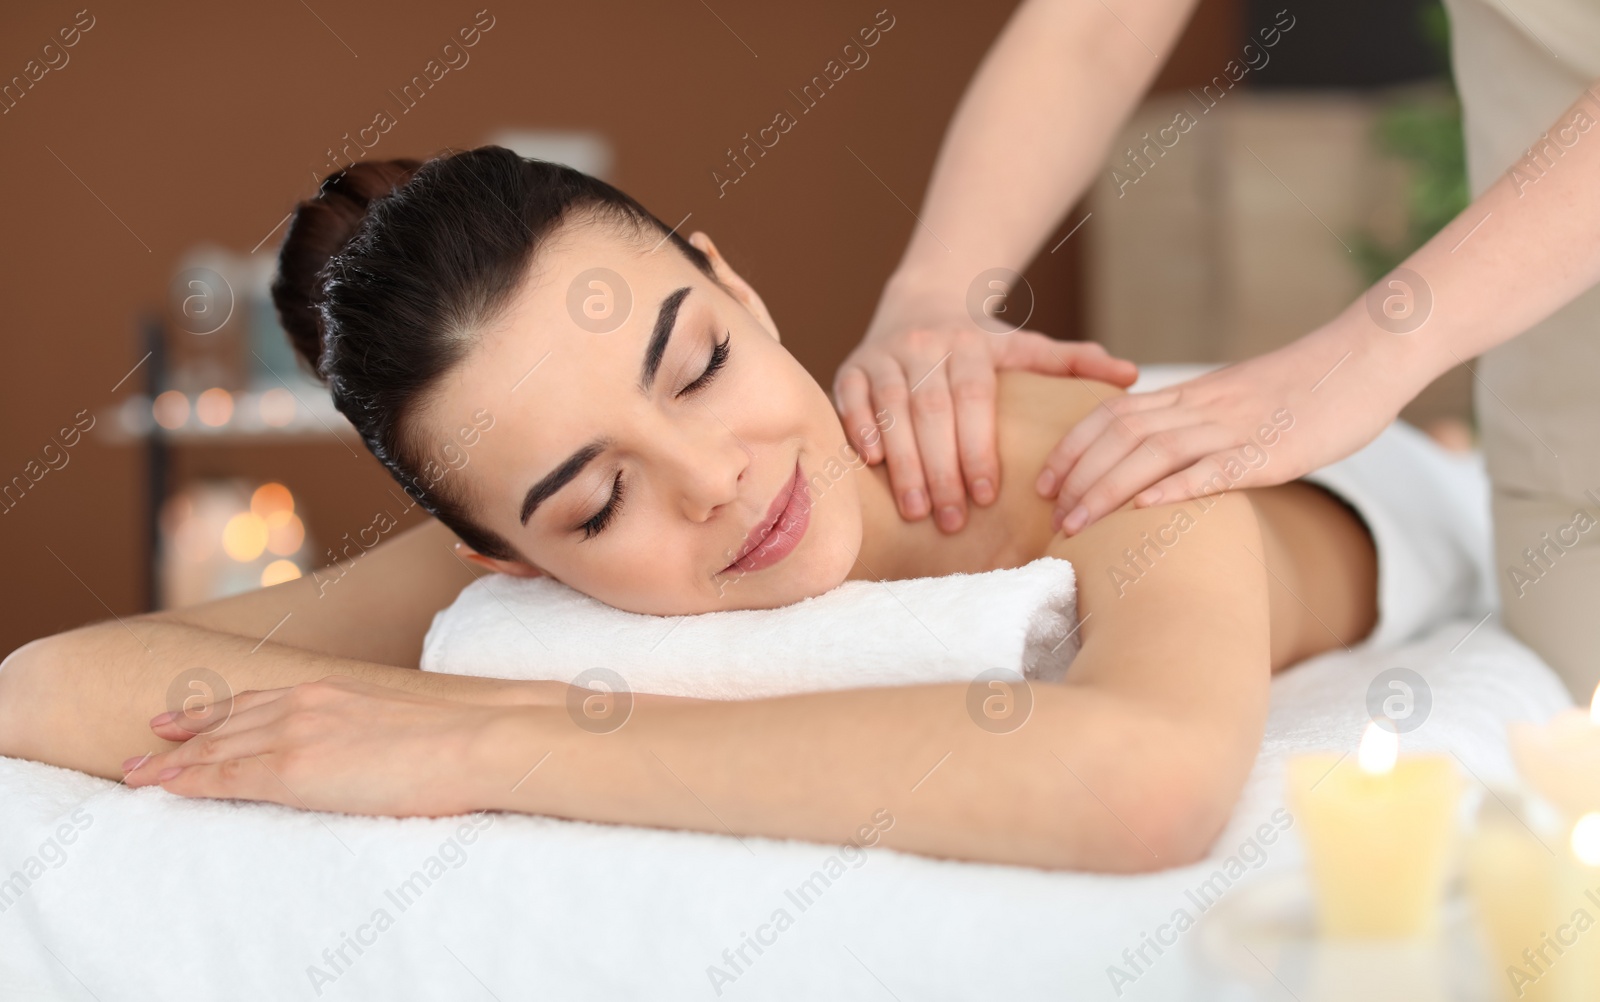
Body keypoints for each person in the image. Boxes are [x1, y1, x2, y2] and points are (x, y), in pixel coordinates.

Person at [0, 148, 1410, 872]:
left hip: (1388, 477)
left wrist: (485, 739)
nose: (714, 477)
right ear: (499, 552)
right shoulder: (514, 567)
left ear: (738, 288)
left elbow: (1147, 780)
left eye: (698, 362)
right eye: (599, 499)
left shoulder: (1088, 460)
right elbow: (48, 686)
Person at [835, 0, 1600, 696]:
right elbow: (1094, 28)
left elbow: (1156, 778)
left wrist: (1370, 355)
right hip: (1562, 440)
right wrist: (934, 293)